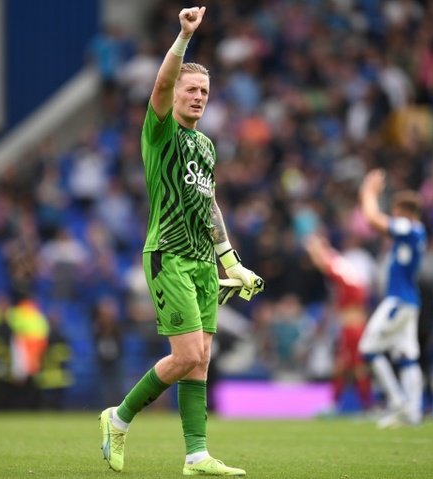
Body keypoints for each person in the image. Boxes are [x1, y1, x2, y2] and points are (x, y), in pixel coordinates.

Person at [99, 7, 263, 476]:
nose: (198, 97)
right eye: (191, 89)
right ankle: (119, 417)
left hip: (201, 263)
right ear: (175, 96)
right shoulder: (160, 132)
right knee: (186, 354)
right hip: (167, 254)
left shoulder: (206, 146)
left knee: (201, 360)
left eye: (205, 91)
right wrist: (184, 38)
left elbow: (209, 205)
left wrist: (230, 262)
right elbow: (159, 87)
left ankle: (196, 457)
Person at [357, 169, 427, 428]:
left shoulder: (409, 227)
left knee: (368, 348)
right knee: (408, 356)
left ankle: (398, 402)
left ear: (404, 211)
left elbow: (373, 219)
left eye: (395, 211)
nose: (393, 215)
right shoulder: (417, 232)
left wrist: (368, 191)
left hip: (398, 300)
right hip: (409, 301)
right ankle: (414, 411)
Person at [305, 234, 372, 412]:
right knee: (347, 366)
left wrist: (315, 250)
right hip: (352, 326)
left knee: (354, 367)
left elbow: (324, 264)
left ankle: (361, 406)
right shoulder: (341, 264)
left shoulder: (334, 264)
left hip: (353, 328)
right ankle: (353, 405)